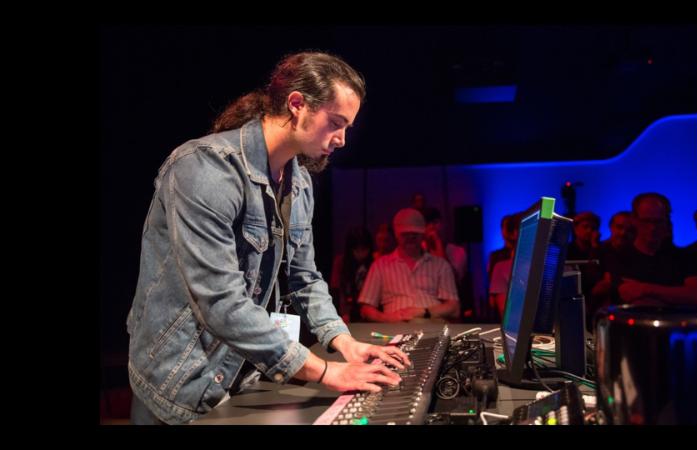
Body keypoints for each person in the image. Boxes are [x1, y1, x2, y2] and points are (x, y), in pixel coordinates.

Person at [126, 51, 409, 425]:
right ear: (297, 105)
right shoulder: (205, 168)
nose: (341, 139)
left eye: (348, 128)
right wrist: (326, 372)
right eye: (335, 123)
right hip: (181, 383)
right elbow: (222, 303)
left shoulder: (300, 181)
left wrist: (344, 343)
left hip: (241, 376)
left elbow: (305, 278)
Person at [592, 193, 697, 308]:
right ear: (634, 220)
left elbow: (695, 296)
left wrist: (644, 289)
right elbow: (626, 296)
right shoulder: (617, 257)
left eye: (658, 222)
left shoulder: (684, 257)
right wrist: (673, 296)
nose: (652, 228)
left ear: (666, 221)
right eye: (647, 221)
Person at [358, 208, 460, 322]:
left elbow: (454, 308)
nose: (411, 238)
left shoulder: (441, 265)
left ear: (422, 235)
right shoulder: (380, 265)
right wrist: (389, 319)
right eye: (406, 235)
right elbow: (366, 309)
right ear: (397, 235)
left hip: (434, 328)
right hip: (394, 330)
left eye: (415, 234)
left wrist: (425, 312)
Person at [330, 226, 374, 323]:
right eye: (357, 250)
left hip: (370, 312)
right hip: (347, 312)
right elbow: (337, 291)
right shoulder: (341, 262)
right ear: (350, 249)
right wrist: (344, 313)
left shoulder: (375, 262)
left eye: (364, 250)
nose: (361, 254)